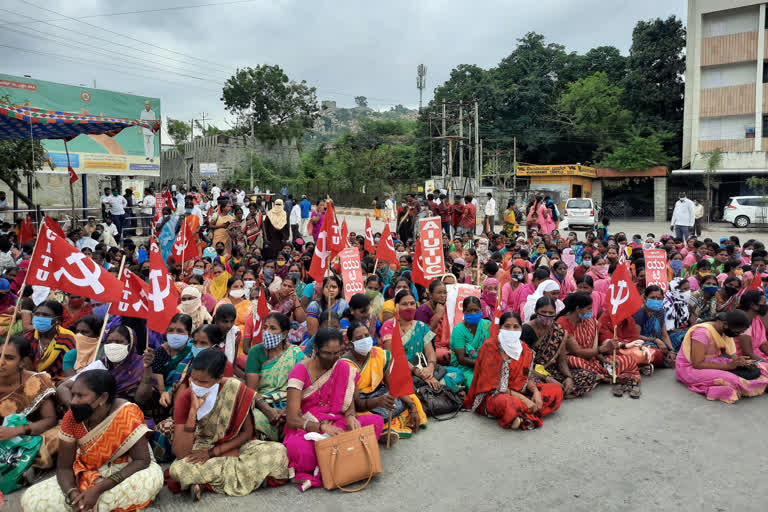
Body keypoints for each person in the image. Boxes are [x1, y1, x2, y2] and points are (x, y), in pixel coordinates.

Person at [21, 370, 164, 511]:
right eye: (73, 395)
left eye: (81, 396)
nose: (74, 401)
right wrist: (72, 494)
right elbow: (64, 467)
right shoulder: (72, 418)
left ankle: (89, 506)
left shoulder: (126, 412)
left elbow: (142, 461)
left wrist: (99, 489)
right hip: (88, 471)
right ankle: (88, 506)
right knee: (31, 499)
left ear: (102, 398)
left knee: (152, 479)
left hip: (127, 469)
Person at [169, 349, 290, 499]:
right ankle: (253, 478)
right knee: (178, 470)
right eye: (193, 380)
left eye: (203, 382)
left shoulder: (234, 387)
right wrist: (192, 413)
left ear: (219, 378)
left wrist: (214, 453)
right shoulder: (185, 398)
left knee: (279, 452)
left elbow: (247, 433)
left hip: (235, 445)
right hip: (201, 446)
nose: (196, 385)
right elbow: (181, 453)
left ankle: (206, 483)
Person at [283, 328, 384, 491]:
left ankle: (333, 464)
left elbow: (348, 404)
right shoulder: (300, 371)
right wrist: (322, 428)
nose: (332, 358)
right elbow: (292, 419)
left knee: (375, 422)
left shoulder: (343, 367)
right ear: (316, 349)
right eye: (327, 353)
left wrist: (351, 417)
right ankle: (350, 462)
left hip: (337, 422)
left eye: (336, 353)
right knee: (299, 450)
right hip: (307, 426)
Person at [464, 312, 563, 430]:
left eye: (516, 327)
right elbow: (494, 387)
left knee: (555, 390)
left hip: (520, 390)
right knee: (507, 403)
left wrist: (536, 392)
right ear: (500, 328)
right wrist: (525, 400)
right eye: (507, 326)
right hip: (495, 395)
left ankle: (521, 416)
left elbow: (527, 377)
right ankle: (526, 412)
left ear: (521, 329)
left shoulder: (524, 349)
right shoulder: (490, 347)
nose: (511, 330)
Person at [342, 321, 426, 441]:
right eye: (359, 338)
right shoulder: (346, 365)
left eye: (366, 336)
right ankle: (384, 429)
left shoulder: (379, 354)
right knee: (361, 417)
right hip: (359, 403)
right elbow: (357, 404)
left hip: (379, 394)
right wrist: (378, 401)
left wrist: (412, 406)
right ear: (351, 344)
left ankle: (388, 427)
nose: (365, 340)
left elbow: (392, 385)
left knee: (410, 398)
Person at [0, 336, 59, 492]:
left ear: (22, 363)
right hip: (2, 438)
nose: (1, 362)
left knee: (58, 436)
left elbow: (50, 420)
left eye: (9, 358)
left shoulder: (37, 381)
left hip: (32, 434)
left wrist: (16, 430)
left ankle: (29, 469)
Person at [557, 293, 641, 397]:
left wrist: (603, 359)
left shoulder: (591, 322)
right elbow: (577, 352)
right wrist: (602, 348)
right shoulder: (563, 322)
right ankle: (606, 376)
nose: (591, 312)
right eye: (588, 309)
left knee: (627, 360)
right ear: (578, 309)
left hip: (593, 359)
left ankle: (605, 376)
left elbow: (595, 347)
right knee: (574, 360)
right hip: (573, 359)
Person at [675, 311, 768, 403]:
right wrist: (729, 366)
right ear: (725, 324)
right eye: (737, 332)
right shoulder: (702, 332)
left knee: (762, 366)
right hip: (690, 369)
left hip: (713, 361)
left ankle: (759, 384)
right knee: (732, 380)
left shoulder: (724, 330)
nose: (738, 335)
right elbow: (697, 364)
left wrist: (739, 361)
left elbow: (727, 353)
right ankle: (760, 385)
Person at [520, 297, 597, 398]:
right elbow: (522, 364)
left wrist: (568, 377)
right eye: (543, 312)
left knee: (588, 375)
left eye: (550, 313)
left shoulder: (558, 330)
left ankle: (558, 392)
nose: (547, 316)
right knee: (530, 383)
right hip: (531, 372)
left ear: (555, 313)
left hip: (550, 370)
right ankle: (557, 393)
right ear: (536, 311)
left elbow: (562, 360)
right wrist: (547, 378)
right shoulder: (526, 330)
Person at [245, 313, 306, 441]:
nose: (267, 332)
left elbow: (305, 385)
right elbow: (252, 391)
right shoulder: (255, 352)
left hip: (290, 403)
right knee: (253, 422)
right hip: (262, 404)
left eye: (273, 328)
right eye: (265, 327)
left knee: (300, 426)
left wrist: (287, 410)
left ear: (284, 334)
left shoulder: (295, 353)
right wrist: (269, 411)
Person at [24, 300, 76, 382]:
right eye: (37, 314)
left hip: (59, 382)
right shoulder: (28, 337)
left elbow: (73, 367)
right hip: (31, 380)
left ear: (57, 320)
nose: (40, 317)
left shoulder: (68, 338)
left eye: (45, 315)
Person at [450, 296, 491, 387]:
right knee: (476, 383)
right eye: (469, 311)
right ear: (463, 312)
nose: (473, 313)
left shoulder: (487, 325)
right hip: (465, 367)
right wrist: (482, 365)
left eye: (476, 310)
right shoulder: (459, 330)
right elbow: (461, 359)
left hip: (486, 365)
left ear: (481, 310)